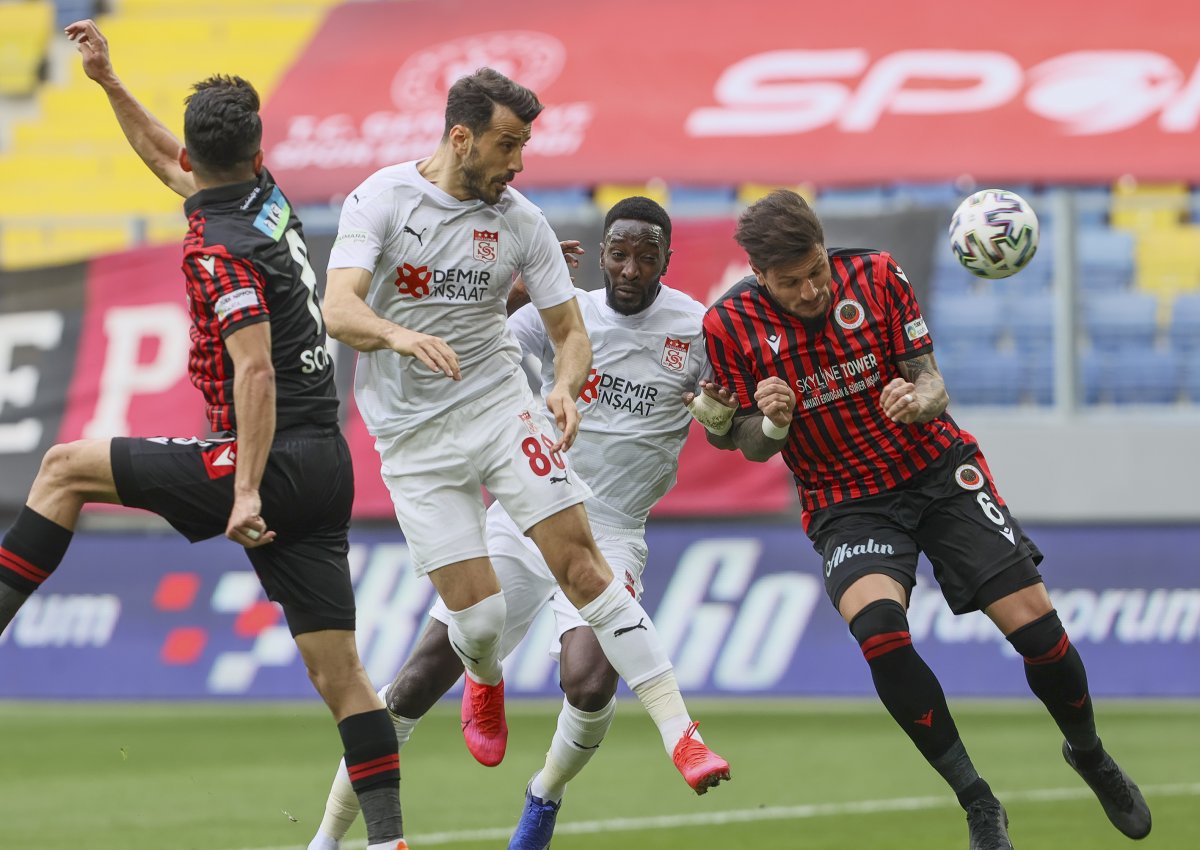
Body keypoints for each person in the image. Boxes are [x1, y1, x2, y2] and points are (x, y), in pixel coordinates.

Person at [0, 21, 407, 850]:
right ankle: (390, 841)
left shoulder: (216, 249)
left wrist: (246, 487)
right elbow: (166, 157)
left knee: (63, 467)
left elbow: (253, 371)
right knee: (344, 677)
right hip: (328, 461)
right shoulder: (265, 198)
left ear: (199, 160)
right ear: (255, 153)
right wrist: (111, 86)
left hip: (269, 458)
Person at [696, 189, 1151, 850]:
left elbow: (933, 381)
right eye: (791, 283)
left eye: (817, 270)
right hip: (845, 499)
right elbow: (742, 441)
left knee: (1039, 633)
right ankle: (978, 801)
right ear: (761, 277)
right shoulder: (729, 325)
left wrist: (920, 397)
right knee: (879, 630)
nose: (812, 290)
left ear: (826, 249)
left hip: (936, 474)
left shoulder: (877, 275)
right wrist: (771, 420)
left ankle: (1088, 753)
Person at [322, 69, 729, 794]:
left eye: (524, 146)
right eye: (507, 145)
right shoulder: (380, 199)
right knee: (455, 644)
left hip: (501, 411)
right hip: (414, 440)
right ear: (460, 137)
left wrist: (566, 387)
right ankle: (474, 689)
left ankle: (681, 737)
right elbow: (338, 309)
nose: (518, 163)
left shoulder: (522, 221)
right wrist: (397, 336)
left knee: (586, 582)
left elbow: (567, 329)